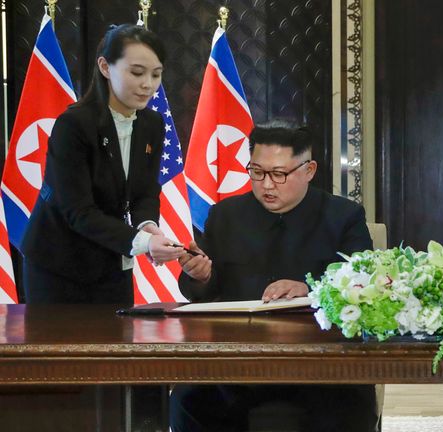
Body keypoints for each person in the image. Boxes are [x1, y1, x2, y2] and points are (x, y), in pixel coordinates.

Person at [170, 122, 379, 431]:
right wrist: (200, 276)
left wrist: (312, 290)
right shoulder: (225, 215)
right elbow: (202, 289)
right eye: (257, 172)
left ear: (309, 170)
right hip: (238, 364)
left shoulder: (343, 216)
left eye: (279, 174)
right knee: (187, 399)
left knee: (348, 407)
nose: (267, 185)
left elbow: (365, 282)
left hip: (322, 365)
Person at [21, 24, 183, 304]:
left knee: (116, 343)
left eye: (156, 74)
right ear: (105, 67)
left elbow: (145, 191)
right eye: (136, 72)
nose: (148, 84)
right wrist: (143, 243)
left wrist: (147, 226)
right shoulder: (73, 125)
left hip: (111, 259)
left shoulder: (152, 124)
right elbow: (78, 211)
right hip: (58, 264)